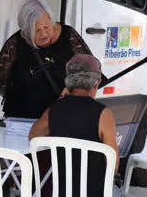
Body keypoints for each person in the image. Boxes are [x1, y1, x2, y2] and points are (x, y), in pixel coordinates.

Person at [0, 0, 95, 120]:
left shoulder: (68, 37)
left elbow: (92, 71)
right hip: (22, 118)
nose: (44, 34)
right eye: (37, 30)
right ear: (25, 31)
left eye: (47, 27)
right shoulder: (16, 43)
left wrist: (73, 89)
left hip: (61, 118)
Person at [29, 54, 119, 196]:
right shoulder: (103, 114)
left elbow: (33, 135)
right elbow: (113, 166)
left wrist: (61, 99)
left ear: (68, 83)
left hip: (61, 192)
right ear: (97, 82)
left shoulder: (55, 109)